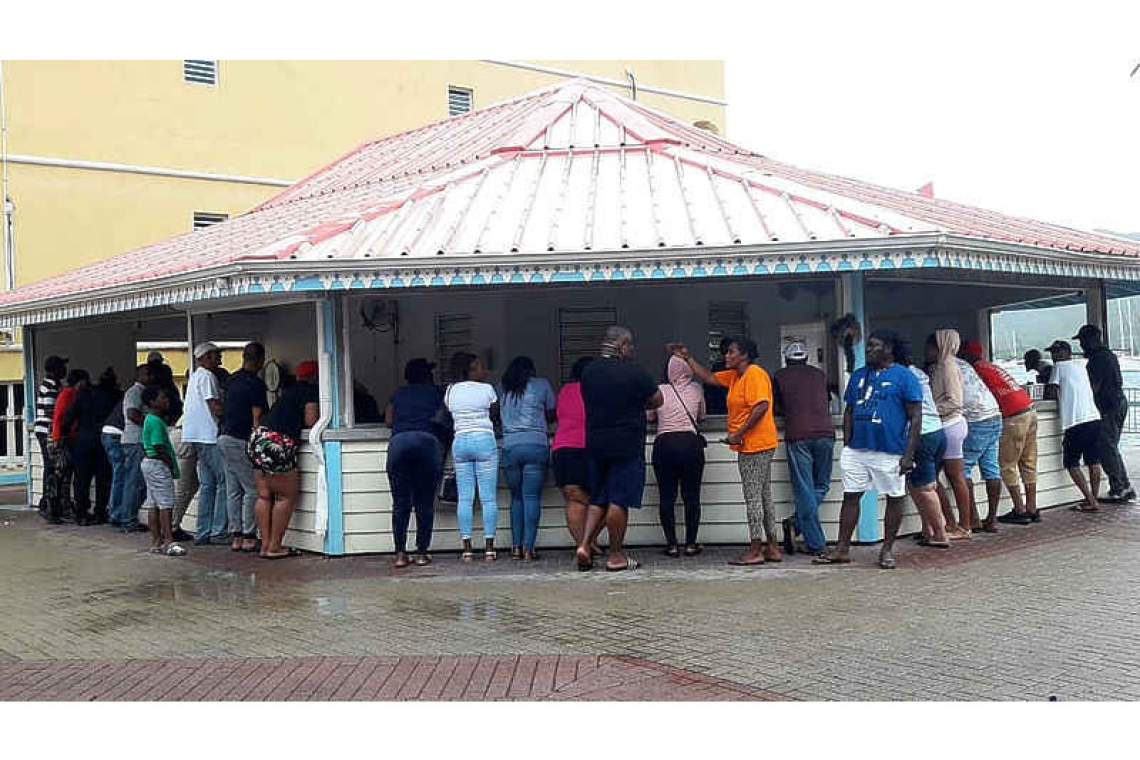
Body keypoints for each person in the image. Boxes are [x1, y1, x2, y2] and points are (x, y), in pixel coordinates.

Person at [815, 330, 924, 569]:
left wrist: (909, 454)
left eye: (874, 346)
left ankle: (886, 550)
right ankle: (842, 548)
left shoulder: (904, 376)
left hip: (890, 449)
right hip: (857, 449)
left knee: (894, 497)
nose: (868, 350)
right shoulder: (858, 376)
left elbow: (915, 416)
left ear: (889, 348)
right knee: (851, 495)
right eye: (868, 347)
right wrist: (846, 444)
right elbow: (849, 410)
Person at [674, 336, 779, 566]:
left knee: (753, 497)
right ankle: (772, 546)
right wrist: (687, 357)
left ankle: (755, 549)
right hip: (757, 443)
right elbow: (709, 377)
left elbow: (761, 406)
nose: (726, 356)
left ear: (745, 355)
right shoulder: (736, 376)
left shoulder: (754, 374)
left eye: (731, 352)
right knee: (763, 495)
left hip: (755, 444)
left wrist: (739, 433)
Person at [577, 327, 663, 572]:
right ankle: (616, 556)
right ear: (622, 346)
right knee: (618, 499)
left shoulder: (588, 372)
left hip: (596, 441)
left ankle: (584, 545)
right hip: (626, 442)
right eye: (631, 346)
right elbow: (657, 400)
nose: (633, 350)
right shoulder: (633, 371)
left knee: (598, 497)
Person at [959, 341, 1040, 526]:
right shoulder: (991, 366)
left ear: (966, 356)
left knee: (1006, 464)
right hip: (1029, 409)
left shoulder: (975, 371)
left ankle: (1020, 510)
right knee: (1028, 461)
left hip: (1012, 415)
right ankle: (1032, 507)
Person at [248, 359, 320, 559]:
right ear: (315, 376)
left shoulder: (287, 391)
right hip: (277, 442)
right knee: (285, 496)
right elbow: (311, 421)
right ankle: (275, 546)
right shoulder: (309, 391)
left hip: (258, 437)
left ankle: (264, 545)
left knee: (264, 495)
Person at [773, 340, 834, 558]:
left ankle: (815, 543)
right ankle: (797, 525)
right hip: (826, 433)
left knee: (804, 490)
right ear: (806, 358)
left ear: (787, 359)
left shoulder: (779, 376)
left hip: (798, 434)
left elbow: (775, 406)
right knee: (822, 486)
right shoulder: (819, 375)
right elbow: (826, 401)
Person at [384, 358, 445, 568]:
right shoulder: (437, 393)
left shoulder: (398, 394)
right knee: (424, 502)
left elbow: (389, 421)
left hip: (399, 443)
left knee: (401, 503)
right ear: (427, 376)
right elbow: (445, 419)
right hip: (427, 442)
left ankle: (400, 554)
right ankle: (421, 553)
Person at [445, 351, 501, 562]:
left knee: (465, 498)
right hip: (484, 440)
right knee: (488, 498)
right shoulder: (487, 389)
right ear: (469, 370)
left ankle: (467, 548)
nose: (483, 370)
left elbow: (450, 412)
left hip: (460, 442)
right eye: (478, 367)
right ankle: (489, 548)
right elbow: (495, 413)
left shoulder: (450, 390)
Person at [499, 355, 557, 562]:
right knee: (531, 497)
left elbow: (496, 413)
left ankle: (515, 547)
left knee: (516, 498)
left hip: (510, 446)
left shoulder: (502, 388)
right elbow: (551, 412)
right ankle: (528, 549)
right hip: (535, 444)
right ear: (531, 370)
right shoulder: (541, 384)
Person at [648, 354, 707, 558]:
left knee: (667, 496)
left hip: (664, 445)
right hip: (691, 445)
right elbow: (701, 417)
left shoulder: (659, 390)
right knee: (692, 497)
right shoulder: (697, 388)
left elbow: (650, 416)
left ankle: (672, 545)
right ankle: (691, 544)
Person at [1075, 324, 1134, 503]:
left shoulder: (1097, 359)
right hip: (1118, 402)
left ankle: (1119, 488)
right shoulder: (1107, 355)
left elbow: (1095, 386)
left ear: (1091, 339)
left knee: (1105, 447)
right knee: (1111, 447)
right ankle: (1124, 486)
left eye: (1082, 340)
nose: (1081, 345)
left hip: (1109, 406)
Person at [552, 357, 604, 558]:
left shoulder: (565, 391)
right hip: (588, 447)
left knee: (574, 499)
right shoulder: (597, 390)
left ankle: (584, 546)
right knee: (605, 501)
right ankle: (588, 543)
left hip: (562, 448)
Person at [218, 342, 267, 552]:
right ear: (260, 361)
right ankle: (248, 536)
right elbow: (257, 416)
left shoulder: (231, 380)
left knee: (233, 489)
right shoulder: (255, 384)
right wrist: (258, 442)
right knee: (252, 489)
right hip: (240, 439)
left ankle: (236, 536)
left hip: (223, 437)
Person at [1046, 340, 1104, 512]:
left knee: (1071, 462)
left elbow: (1050, 391)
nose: (1053, 355)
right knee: (1093, 461)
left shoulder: (1058, 367)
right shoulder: (1082, 364)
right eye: (1052, 352)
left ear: (1065, 352)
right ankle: (1094, 497)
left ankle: (1090, 500)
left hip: (1075, 421)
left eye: (1056, 352)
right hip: (1094, 417)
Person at [926, 330, 973, 538]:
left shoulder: (948, 366)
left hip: (950, 425)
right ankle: (950, 523)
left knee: (955, 477)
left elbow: (954, 401)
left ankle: (964, 526)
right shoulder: (941, 367)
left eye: (930, 347)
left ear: (940, 347)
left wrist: (930, 410)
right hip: (945, 424)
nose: (927, 352)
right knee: (934, 478)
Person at [900, 353, 950, 549]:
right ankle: (927, 530)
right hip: (937, 430)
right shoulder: (919, 373)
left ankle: (940, 533)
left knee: (925, 487)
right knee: (918, 485)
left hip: (922, 434)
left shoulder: (902, 377)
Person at [183, 342, 228, 546]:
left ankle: (203, 532)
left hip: (195, 436)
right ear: (206, 357)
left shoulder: (194, 377)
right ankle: (218, 531)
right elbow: (214, 406)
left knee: (208, 485)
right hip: (208, 435)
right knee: (224, 483)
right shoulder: (208, 377)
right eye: (216, 356)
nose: (219, 359)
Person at [955, 345, 1003, 532]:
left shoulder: (944, 366)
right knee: (991, 468)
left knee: (962, 470)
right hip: (994, 414)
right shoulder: (966, 364)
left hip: (975, 418)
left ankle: (972, 518)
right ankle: (991, 519)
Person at [60, 368, 116, 526]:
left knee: (81, 479)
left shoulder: (83, 395)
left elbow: (68, 418)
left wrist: (66, 437)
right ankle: (100, 512)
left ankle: (82, 513)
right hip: (102, 441)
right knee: (103, 479)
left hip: (82, 440)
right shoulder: (113, 396)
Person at [140, 386, 186, 556]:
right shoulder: (156, 422)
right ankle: (168, 540)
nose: (166, 401)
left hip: (149, 464)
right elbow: (158, 445)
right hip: (158, 464)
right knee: (166, 504)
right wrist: (169, 463)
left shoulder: (149, 420)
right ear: (152, 402)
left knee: (153, 503)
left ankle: (156, 541)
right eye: (162, 398)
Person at [119, 364, 154, 533]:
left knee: (137, 483)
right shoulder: (135, 392)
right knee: (135, 483)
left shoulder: (144, 392)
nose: (151, 377)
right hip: (135, 441)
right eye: (148, 374)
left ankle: (128, 517)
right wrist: (150, 426)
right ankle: (128, 519)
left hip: (138, 441)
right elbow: (132, 414)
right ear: (139, 375)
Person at [33, 355, 68, 520]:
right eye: (62, 367)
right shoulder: (51, 385)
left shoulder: (53, 385)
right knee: (52, 467)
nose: (65, 371)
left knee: (51, 467)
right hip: (47, 430)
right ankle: (48, 504)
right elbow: (50, 411)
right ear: (55, 370)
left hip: (46, 429)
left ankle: (48, 502)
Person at [47, 369, 83, 524]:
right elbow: (59, 417)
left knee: (64, 477)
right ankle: (55, 511)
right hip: (62, 440)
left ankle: (62, 508)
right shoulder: (68, 394)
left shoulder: (70, 394)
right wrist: (57, 439)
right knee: (59, 477)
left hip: (64, 439)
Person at [101, 373, 128, 528]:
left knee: (117, 475)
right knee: (120, 475)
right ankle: (116, 513)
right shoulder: (136, 395)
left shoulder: (124, 396)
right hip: (117, 434)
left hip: (107, 433)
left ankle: (114, 510)